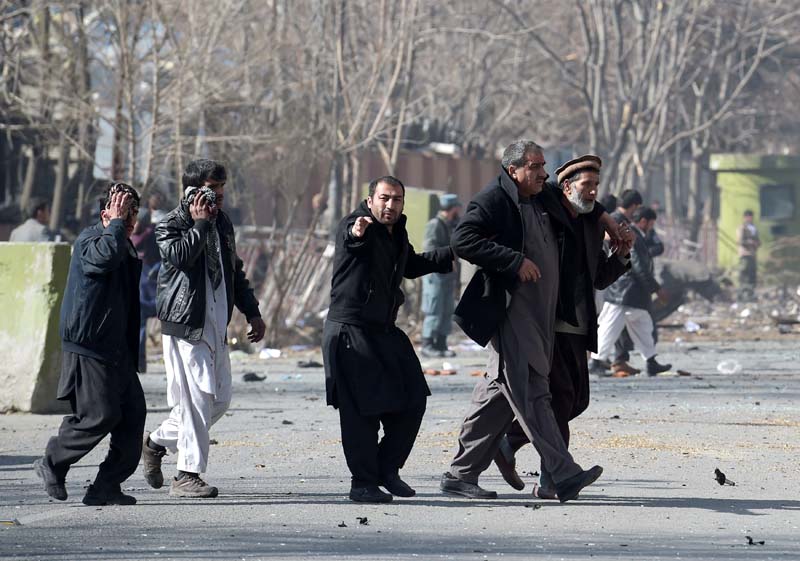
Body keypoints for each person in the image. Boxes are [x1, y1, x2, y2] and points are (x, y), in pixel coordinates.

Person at [439, 141, 605, 503]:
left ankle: (460, 474)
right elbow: (463, 240)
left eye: (544, 165)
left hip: (541, 315)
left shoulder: (540, 194)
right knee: (532, 390)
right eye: (535, 166)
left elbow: (583, 201)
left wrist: (607, 220)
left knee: (497, 397)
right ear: (513, 169)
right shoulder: (494, 199)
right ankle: (563, 474)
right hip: (512, 313)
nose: (543, 173)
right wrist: (513, 261)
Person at [493, 155, 632, 499]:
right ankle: (550, 479)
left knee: (576, 401)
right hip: (548, 323)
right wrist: (604, 213)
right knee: (560, 400)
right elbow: (547, 190)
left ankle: (509, 442)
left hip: (578, 327)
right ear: (567, 187)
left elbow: (599, 278)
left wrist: (622, 255)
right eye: (586, 187)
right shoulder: (549, 212)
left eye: (597, 187)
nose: (593, 193)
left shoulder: (590, 224)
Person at [322, 175, 454, 503]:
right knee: (361, 413)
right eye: (384, 198)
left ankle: (387, 469)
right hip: (350, 332)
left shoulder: (397, 233)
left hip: (383, 330)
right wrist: (356, 232)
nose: (389, 205)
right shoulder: (357, 224)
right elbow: (352, 237)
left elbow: (411, 265)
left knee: (414, 397)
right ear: (370, 200)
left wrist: (455, 251)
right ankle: (363, 483)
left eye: (396, 199)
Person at [141, 159, 266, 498]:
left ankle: (155, 441)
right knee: (197, 399)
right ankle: (186, 474)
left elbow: (234, 271)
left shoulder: (222, 223)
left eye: (222, 189)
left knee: (220, 399)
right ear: (193, 191)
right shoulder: (172, 224)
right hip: (187, 324)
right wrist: (198, 225)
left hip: (217, 323)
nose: (218, 197)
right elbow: (180, 258)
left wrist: (252, 311)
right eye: (212, 190)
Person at [33, 183, 145, 506]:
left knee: (133, 412)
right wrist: (115, 226)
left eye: (132, 215)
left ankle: (106, 485)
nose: (129, 223)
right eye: (124, 214)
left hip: (116, 348)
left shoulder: (121, 243)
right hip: (90, 344)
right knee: (100, 414)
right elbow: (103, 261)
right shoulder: (92, 240)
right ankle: (52, 462)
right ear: (105, 213)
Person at [592, 207, 672, 376]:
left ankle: (651, 362)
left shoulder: (638, 236)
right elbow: (638, 266)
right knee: (608, 327)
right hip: (622, 294)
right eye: (651, 223)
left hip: (632, 295)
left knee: (644, 327)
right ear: (643, 221)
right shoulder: (632, 236)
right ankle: (596, 362)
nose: (651, 227)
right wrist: (656, 289)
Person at [420, 193, 462, 358]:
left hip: (448, 276)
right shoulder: (435, 225)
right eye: (457, 208)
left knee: (446, 310)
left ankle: (441, 343)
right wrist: (446, 259)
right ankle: (427, 344)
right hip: (435, 275)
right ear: (452, 208)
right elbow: (430, 247)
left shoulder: (451, 225)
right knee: (434, 309)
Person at [131, 210, 161, 372]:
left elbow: (164, 259)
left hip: (150, 289)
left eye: (137, 222)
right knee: (138, 327)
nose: (134, 226)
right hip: (136, 288)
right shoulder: (128, 238)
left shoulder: (152, 238)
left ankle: (139, 363)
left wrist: (155, 269)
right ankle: (138, 362)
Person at [737, 209, 760, 299]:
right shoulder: (742, 228)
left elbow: (757, 240)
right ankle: (742, 293)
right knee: (744, 273)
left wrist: (756, 243)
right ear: (745, 217)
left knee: (752, 274)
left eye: (751, 217)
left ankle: (751, 293)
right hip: (744, 254)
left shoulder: (754, 228)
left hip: (752, 254)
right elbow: (740, 241)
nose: (749, 219)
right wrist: (749, 242)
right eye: (748, 217)